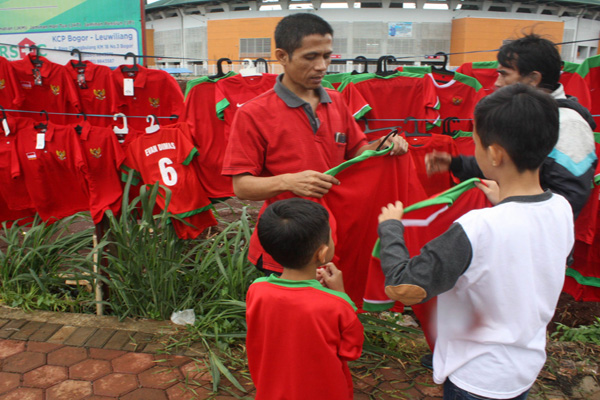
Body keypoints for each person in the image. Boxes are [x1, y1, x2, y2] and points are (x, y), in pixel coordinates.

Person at [377, 84, 574, 400]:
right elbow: (522, 250)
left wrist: (391, 229)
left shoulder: (476, 228)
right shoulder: (561, 208)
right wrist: (503, 204)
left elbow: (405, 286)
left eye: (477, 143)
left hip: (475, 377)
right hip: (523, 369)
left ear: (494, 153)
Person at [222, 13, 408, 273]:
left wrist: (384, 145)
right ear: (282, 56)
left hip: (332, 240)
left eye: (327, 56)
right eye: (310, 57)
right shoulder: (253, 113)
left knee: (332, 310)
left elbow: (358, 152)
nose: (321, 66)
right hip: (287, 248)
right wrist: (288, 181)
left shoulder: (336, 101)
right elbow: (240, 186)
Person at [426, 33, 597, 219]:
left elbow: (569, 199)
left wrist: (508, 202)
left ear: (533, 79)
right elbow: (510, 165)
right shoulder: (529, 114)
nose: (497, 83)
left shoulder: (569, 125)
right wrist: (458, 164)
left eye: (504, 74)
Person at [246, 198, 364, 400]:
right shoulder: (336, 304)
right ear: (322, 253)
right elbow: (351, 350)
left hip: (273, 390)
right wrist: (342, 296)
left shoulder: (257, 290)